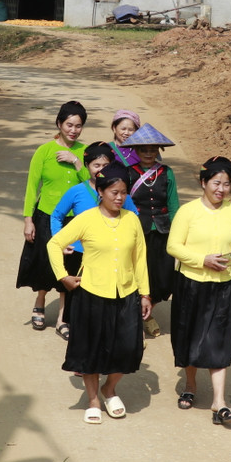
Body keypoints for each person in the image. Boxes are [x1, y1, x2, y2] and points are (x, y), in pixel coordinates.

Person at [47, 164, 152, 424]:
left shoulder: (132, 220)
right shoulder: (86, 218)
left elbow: (140, 259)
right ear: (101, 191)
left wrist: (145, 294)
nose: (119, 198)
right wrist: (64, 276)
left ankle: (110, 389)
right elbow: (54, 243)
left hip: (126, 293)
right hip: (91, 294)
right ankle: (94, 399)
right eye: (114, 192)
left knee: (130, 348)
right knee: (91, 349)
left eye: (124, 192)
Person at [166, 156, 231, 426]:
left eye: (227, 184)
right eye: (216, 182)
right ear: (203, 182)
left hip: (224, 284)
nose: (221, 189)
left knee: (219, 338)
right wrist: (202, 260)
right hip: (191, 283)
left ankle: (219, 402)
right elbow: (173, 246)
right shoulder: (188, 212)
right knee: (190, 336)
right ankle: (190, 385)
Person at [48, 143, 139, 339]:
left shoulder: (119, 193)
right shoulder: (77, 191)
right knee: (72, 291)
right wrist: (61, 240)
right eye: (96, 165)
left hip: (107, 253)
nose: (101, 170)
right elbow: (56, 215)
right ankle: (62, 321)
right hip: (79, 252)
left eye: (105, 166)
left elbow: (134, 216)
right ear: (87, 166)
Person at [17, 101, 88, 331]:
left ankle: (62, 318)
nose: (73, 130)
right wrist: (28, 220)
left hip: (75, 220)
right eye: (69, 124)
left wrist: (76, 161)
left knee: (69, 265)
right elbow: (31, 187)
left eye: (78, 126)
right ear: (59, 123)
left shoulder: (84, 152)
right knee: (45, 262)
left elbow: (93, 182)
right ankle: (39, 302)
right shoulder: (44, 151)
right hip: (47, 216)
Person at [124, 123, 179, 337]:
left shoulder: (167, 173)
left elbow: (174, 204)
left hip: (163, 230)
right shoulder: (128, 173)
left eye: (153, 149)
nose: (148, 153)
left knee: (162, 276)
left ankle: (147, 312)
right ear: (136, 151)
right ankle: (137, 316)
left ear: (159, 150)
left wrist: (178, 232)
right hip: (138, 230)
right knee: (139, 271)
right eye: (143, 150)